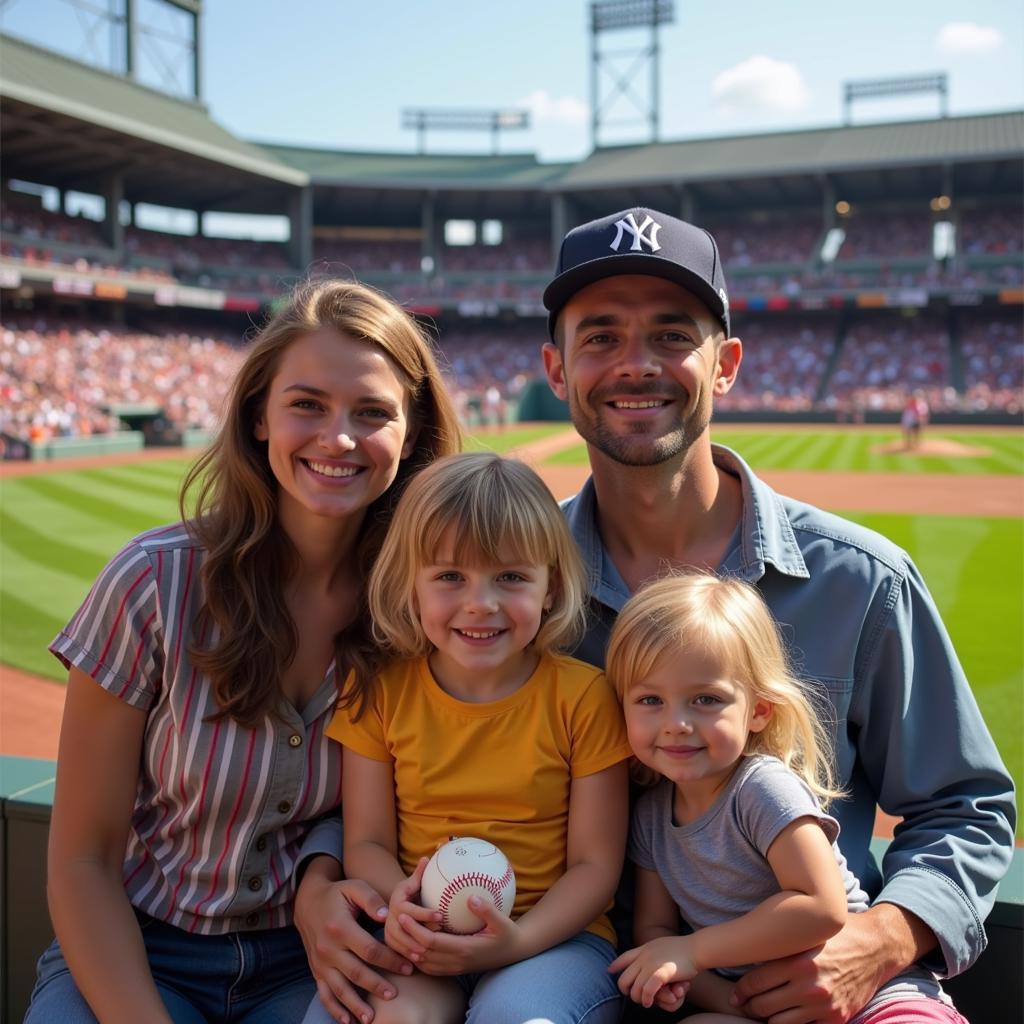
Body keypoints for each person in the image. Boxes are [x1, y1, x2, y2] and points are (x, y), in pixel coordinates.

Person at [540, 207, 1015, 1022]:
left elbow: (965, 807)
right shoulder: (513, 589)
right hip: (581, 963)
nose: (635, 365)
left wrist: (886, 939)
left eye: (669, 335)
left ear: (724, 365)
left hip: (825, 976)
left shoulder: (860, 579)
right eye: (600, 338)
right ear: (556, 369)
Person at [24, 278, 461, 1024]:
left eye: (372, 412)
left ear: (413, 433)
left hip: (314, 961)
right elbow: (82, 862)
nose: (339, 438)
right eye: (307, 405)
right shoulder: (153, 582)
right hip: (137, 948)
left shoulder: (423, 611)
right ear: (259, 415)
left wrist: (321, 882)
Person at [301, 451, 630, 1024]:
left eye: (510, 577)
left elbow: (595, 868)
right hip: (420, 934)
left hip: (553, 939)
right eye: (450, 576)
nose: (481, 603)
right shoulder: (380, 692)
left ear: (550, 586)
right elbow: (367, 844)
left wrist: (518, 941)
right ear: (412, 586)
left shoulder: (584, 697)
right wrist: (397, 902)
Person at [605, 573, 963, 1023]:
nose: (677, 723)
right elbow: (656, 931)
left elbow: (820, 907)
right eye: (650, 700)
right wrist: (732, 1001)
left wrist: (692, 950)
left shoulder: (761, 788)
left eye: (706, 699)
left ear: (757, 710)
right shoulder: (651, 814)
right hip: (763, 1008)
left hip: (870, 993)